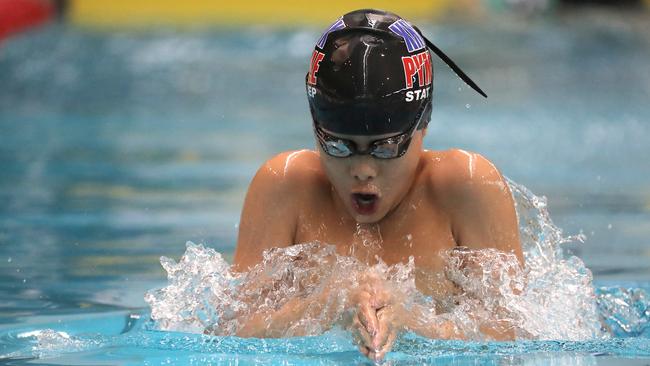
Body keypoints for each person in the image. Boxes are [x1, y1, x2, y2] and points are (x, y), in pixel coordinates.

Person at [231, 8, 523, 361]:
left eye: (385, 147)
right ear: (315, 129)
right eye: (338, 145)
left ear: (423, 125)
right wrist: (326, 308)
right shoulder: (285, 186)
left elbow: (515, 335)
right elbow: (233, 332)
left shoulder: (466, 187)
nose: (363, 169)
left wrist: (417, 324)